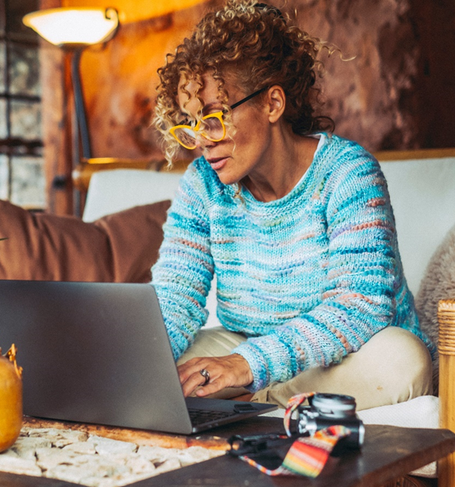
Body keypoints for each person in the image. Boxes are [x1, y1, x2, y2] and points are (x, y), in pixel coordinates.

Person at [150, 0, 434, 410]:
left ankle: (250, 400)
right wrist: (135, 361)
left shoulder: (347, 172)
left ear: (272, 104)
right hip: (247, 345)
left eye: (214, 117)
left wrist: (247, 366)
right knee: (161, 366)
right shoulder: (203, 185)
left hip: (349, 352)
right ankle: (268, 400)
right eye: (191, 125)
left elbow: (360, 306)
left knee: (404, 363)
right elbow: (175, 295)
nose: (204, 140)